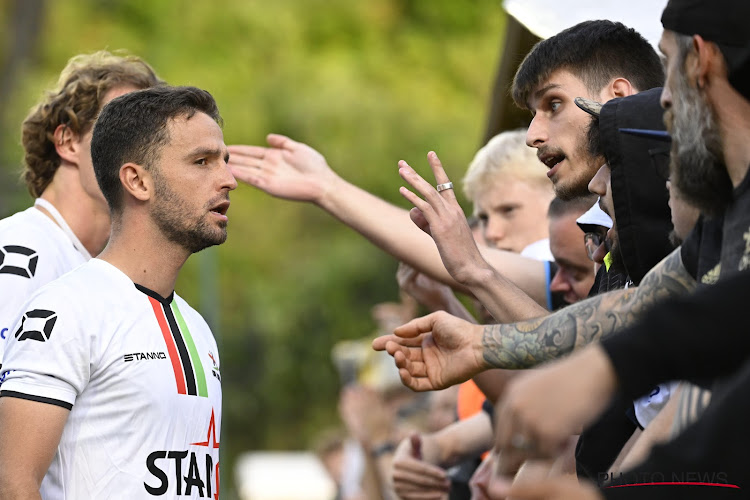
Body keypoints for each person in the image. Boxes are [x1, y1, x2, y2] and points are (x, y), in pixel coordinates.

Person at [0, 85, 236, 498]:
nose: (228, 180)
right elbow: (12, 481)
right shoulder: (67, 310)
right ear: (136, 181)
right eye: (202, 162)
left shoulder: (198, 327)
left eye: (225, 162)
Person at [0, 51, 162, 363]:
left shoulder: (107, 273)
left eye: (154, 136)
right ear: (69, 142)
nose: (146, 149)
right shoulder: (18, 250)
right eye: (127, 129)